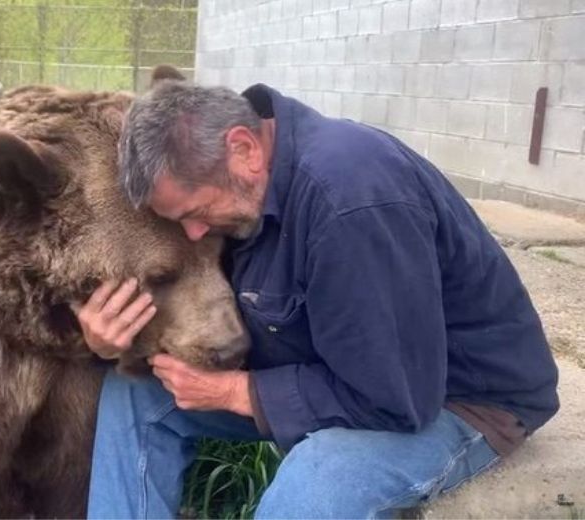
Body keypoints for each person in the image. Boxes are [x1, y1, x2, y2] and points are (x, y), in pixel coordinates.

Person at [75, 81, 560, 519]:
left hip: (457, 401)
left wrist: (234, 393)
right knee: (134, 395)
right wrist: (112, 341)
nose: (194, 232)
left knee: (318, 476)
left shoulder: (351, 202)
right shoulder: (246, 184)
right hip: (335, 370)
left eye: (197, 212)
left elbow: (396, 400)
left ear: (242, 148)